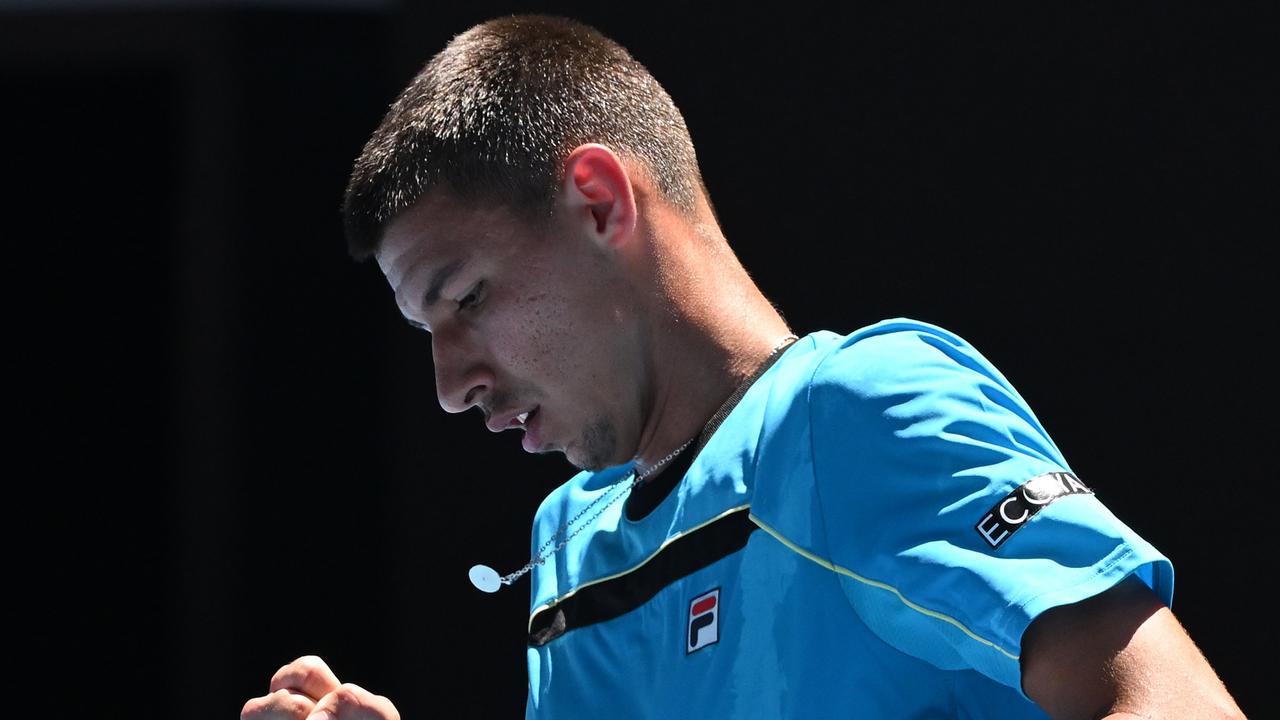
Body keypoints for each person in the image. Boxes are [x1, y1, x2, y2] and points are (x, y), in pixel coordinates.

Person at [241, 14, 1245, 720]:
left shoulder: (852, 410)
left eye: (466, 300)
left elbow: (1178, 705)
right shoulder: (569, 546)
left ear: (598, 202)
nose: (451, 385)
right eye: (428, 334)